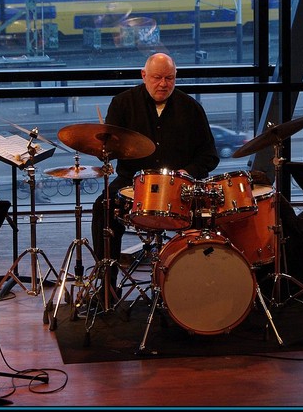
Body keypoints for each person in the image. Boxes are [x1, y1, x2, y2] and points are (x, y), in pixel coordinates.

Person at [92, 52, 220, 292]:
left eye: (169, 78)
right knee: (104, 207)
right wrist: (104, 149)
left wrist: (186, 172)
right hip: (134, 182)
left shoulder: (191, 108)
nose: (163, 84)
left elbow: (209, 156)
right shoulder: (122, 103)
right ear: (144, 76)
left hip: (181, 185)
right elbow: (109, 148)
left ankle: (201, 284)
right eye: (157, 77)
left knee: (210, 213)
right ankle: (106, 283)